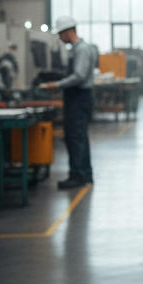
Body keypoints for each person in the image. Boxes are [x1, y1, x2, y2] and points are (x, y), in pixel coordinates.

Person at [42, 17, 98, 190]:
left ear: (68, 31)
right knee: (79, 137)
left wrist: (56, 85)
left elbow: (79, 76)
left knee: (75, 138)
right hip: (78, 97)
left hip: (78, 97)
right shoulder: (78, 49)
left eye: (60, 33)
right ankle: (85, 174)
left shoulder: (81, 50)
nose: (59, 37)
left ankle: (78, 176)